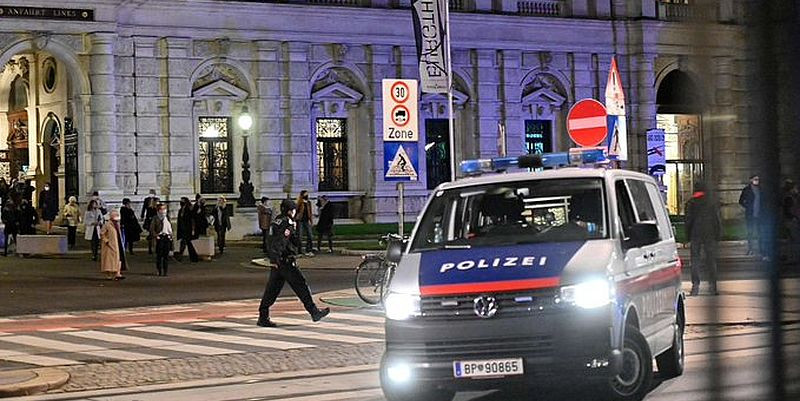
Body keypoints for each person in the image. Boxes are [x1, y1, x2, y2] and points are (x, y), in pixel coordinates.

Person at [257, 199, 330, 328]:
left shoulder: (277, 220)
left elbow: (271, 240)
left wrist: (273, 259)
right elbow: (282, 241)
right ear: (290, 211)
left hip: (278, 261)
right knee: (301, 286)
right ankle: (314, 312)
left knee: (272, 290)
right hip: (286, 261)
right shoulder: (287, 223)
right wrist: (277, 258)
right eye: (294, 210)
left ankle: (263, 316)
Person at [686, 182, 722, 296]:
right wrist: (718, 234)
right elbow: (716, 220)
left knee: (695, 260)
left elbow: (688, 220)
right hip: (709, 233)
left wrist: (688, 236)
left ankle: (695, 286)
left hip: (695, 233)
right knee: (711, 260)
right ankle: (713, 287)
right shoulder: (711, 202)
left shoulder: (691, 203)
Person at [739, 175, 762, 256]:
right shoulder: (746, 190)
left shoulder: (760, 189)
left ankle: (761, 249)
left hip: (759, 214)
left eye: (758, 179)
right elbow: (741, 201)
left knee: (760, 232)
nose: (757, 181)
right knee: (750, 232)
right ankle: (750, 248)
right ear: (751, 180)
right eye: (755, 179)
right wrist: (748, 206)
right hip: (750, 214)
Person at [100, 209, 125, 280]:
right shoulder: (107, 225)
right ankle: (109, 274)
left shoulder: (117, 225)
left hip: (117, 244)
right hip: (109, 245)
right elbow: (102, 233)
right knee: (109, 260)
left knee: (118, 259)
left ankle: (117, 273)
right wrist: (106, 241)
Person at [150, 203, 173, 276]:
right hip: (159, 238)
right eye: (161, 209)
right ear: (158, 210)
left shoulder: (167, 217)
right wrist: (156, 235)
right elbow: (152, 229)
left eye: (164, 209)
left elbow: (170, 228)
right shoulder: (155, 218)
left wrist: (170, 236)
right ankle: (159, 270)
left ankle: (165, 271)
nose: (163, 211)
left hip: (167, 237)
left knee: (166, 256)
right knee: (159, 256)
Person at [782, 180, 800, 264]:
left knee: (790, 240)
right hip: (791, 220)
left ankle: (791, 257)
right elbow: (790, 210)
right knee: (795, 239)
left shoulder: (789, 197)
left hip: (789, 220)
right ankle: (794, 258)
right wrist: (794, 217)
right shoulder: (789, 198)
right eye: (795, 188)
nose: (797, 190)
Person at [177, 197, 198, 263]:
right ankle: (193, 257)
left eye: (182, 201)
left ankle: (181, 256)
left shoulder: (189, 209)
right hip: (182, 229)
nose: (181, 202)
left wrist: (193, 229)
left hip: (187, 229)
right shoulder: (181, 210)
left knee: (186, 242)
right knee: (187, 243)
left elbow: (192, 219)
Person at [295, 190, 314, 255]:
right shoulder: (300, 202)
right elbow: (296, 210)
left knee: (310, 235)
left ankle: (309, 249)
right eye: (305, 194)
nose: (307, 195)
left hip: (306, 220)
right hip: (300, 220)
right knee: (300, 236)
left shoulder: (308, 203)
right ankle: (299, 251)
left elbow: (310, 212)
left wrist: (311, 221)